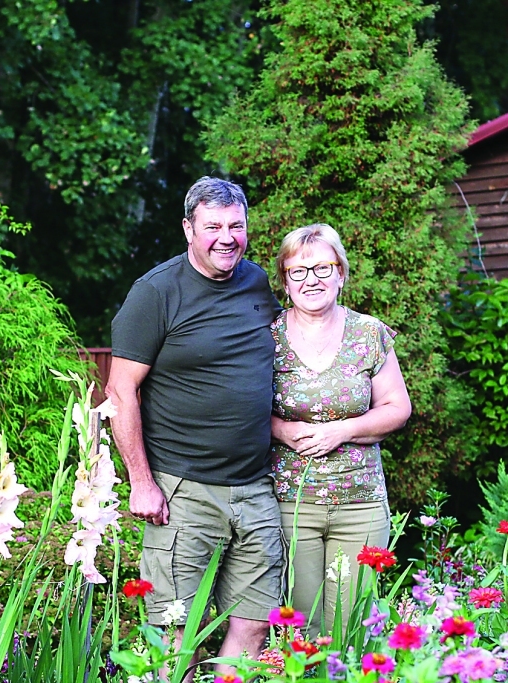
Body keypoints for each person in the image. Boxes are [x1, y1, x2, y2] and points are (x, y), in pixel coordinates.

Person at [105, 177, 283, 675]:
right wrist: (141, 482)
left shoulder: (256, 282)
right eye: (212, 226)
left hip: (254, 488)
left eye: (236, 226)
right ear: (188, 229)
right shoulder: (156, 292)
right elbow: (121, 392)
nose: (226, 237)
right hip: (182, 490)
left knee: (254, 622)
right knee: (177, 629)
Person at [269, 223, 412, 639]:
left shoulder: (369, 334)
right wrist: (280, 430)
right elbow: (241, 410)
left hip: (360, 506)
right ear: (285, 281)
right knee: (304, 628)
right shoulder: (266, 337)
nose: (311, 279)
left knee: (352, 628)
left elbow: (397, 408)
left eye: (323, 268)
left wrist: (343, 430)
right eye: (298, 271)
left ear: (341, 273)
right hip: (290, 504)